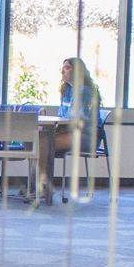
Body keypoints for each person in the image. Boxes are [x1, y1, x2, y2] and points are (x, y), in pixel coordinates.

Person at [36, 56, 103, 203]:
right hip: (69, 132)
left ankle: (42, 187)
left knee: (43, 143)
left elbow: (76, 120)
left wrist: (55, 128)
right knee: (37, 139)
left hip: (86, 136)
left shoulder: (84, 91)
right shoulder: (67, 90)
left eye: (67, 67)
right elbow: (63, 116)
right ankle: (40, 185)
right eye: (63, 68)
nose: (63, 71)